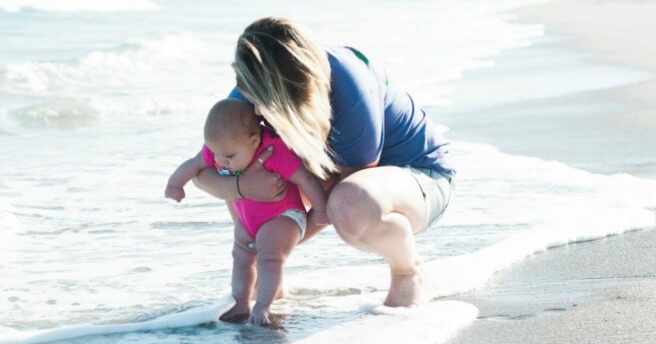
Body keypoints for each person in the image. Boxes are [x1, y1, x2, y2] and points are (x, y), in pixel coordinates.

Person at [191, 17, 455, 308]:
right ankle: (270, 279)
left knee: (348, 204)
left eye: (261, 98)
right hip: (338, 182)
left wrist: (274, 239)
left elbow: (342, 195)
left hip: (419, 181)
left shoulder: (349, 82)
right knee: (239, 161)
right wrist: (242, 186)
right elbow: (204, 171)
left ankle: (408, 271)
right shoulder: (253, 89)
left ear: (285, 84)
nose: (254, 108)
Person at [165, 99, 329, 325]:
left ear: (253, 141)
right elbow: (194, 164)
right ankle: (242, 302)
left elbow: (305, 178)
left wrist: (320, 210)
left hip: (284, 216)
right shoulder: (222, 148)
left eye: (229, 157)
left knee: (269, 258)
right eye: (215, 153)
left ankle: (263, 306)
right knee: (241, 258)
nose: (220, 161)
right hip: (248, 220)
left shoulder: (274, 151)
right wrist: (175, 184)